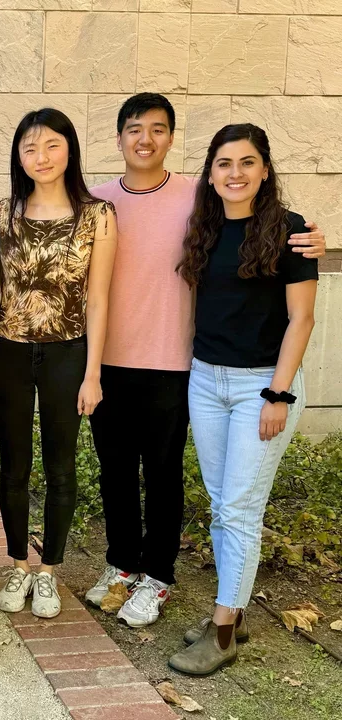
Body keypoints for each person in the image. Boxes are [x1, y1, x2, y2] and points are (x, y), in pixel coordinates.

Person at [83, 94, 326, 628]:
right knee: (115, 471)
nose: (145, 139)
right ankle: (122, 565)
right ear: (118, 137)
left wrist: (309, 239)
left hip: (176, 362)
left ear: (171, 138)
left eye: (158, 129)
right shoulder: (94, 202)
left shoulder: (202, 198)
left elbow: (268, 230)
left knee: (164, 474)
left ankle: (159, 576)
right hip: (107, 362)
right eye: (134, 130)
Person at [168, 125, 318, 676]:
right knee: (221, 503)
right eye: (224, 163)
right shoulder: (204, 230)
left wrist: (278, 392)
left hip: (263, 386)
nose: (235, 173)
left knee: (239, 509)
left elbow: (301, 319)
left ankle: (224, 630)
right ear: (211, 174)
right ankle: (235, 605)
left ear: (265, 170)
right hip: (206, 381)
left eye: (247, 162)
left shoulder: (291, 232)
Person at [0, 109, 117, 620]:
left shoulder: (98, 215)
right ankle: (19, 562)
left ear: (70, 150)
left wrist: (94, 373)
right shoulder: (2, 213)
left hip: (69, 351)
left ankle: (50, 571)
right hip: (9, 350)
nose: (40, 158)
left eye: (51, 146)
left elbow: (99, 300)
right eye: (29, 149)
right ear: (18, 157)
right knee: (14, 463)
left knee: (61, 463)